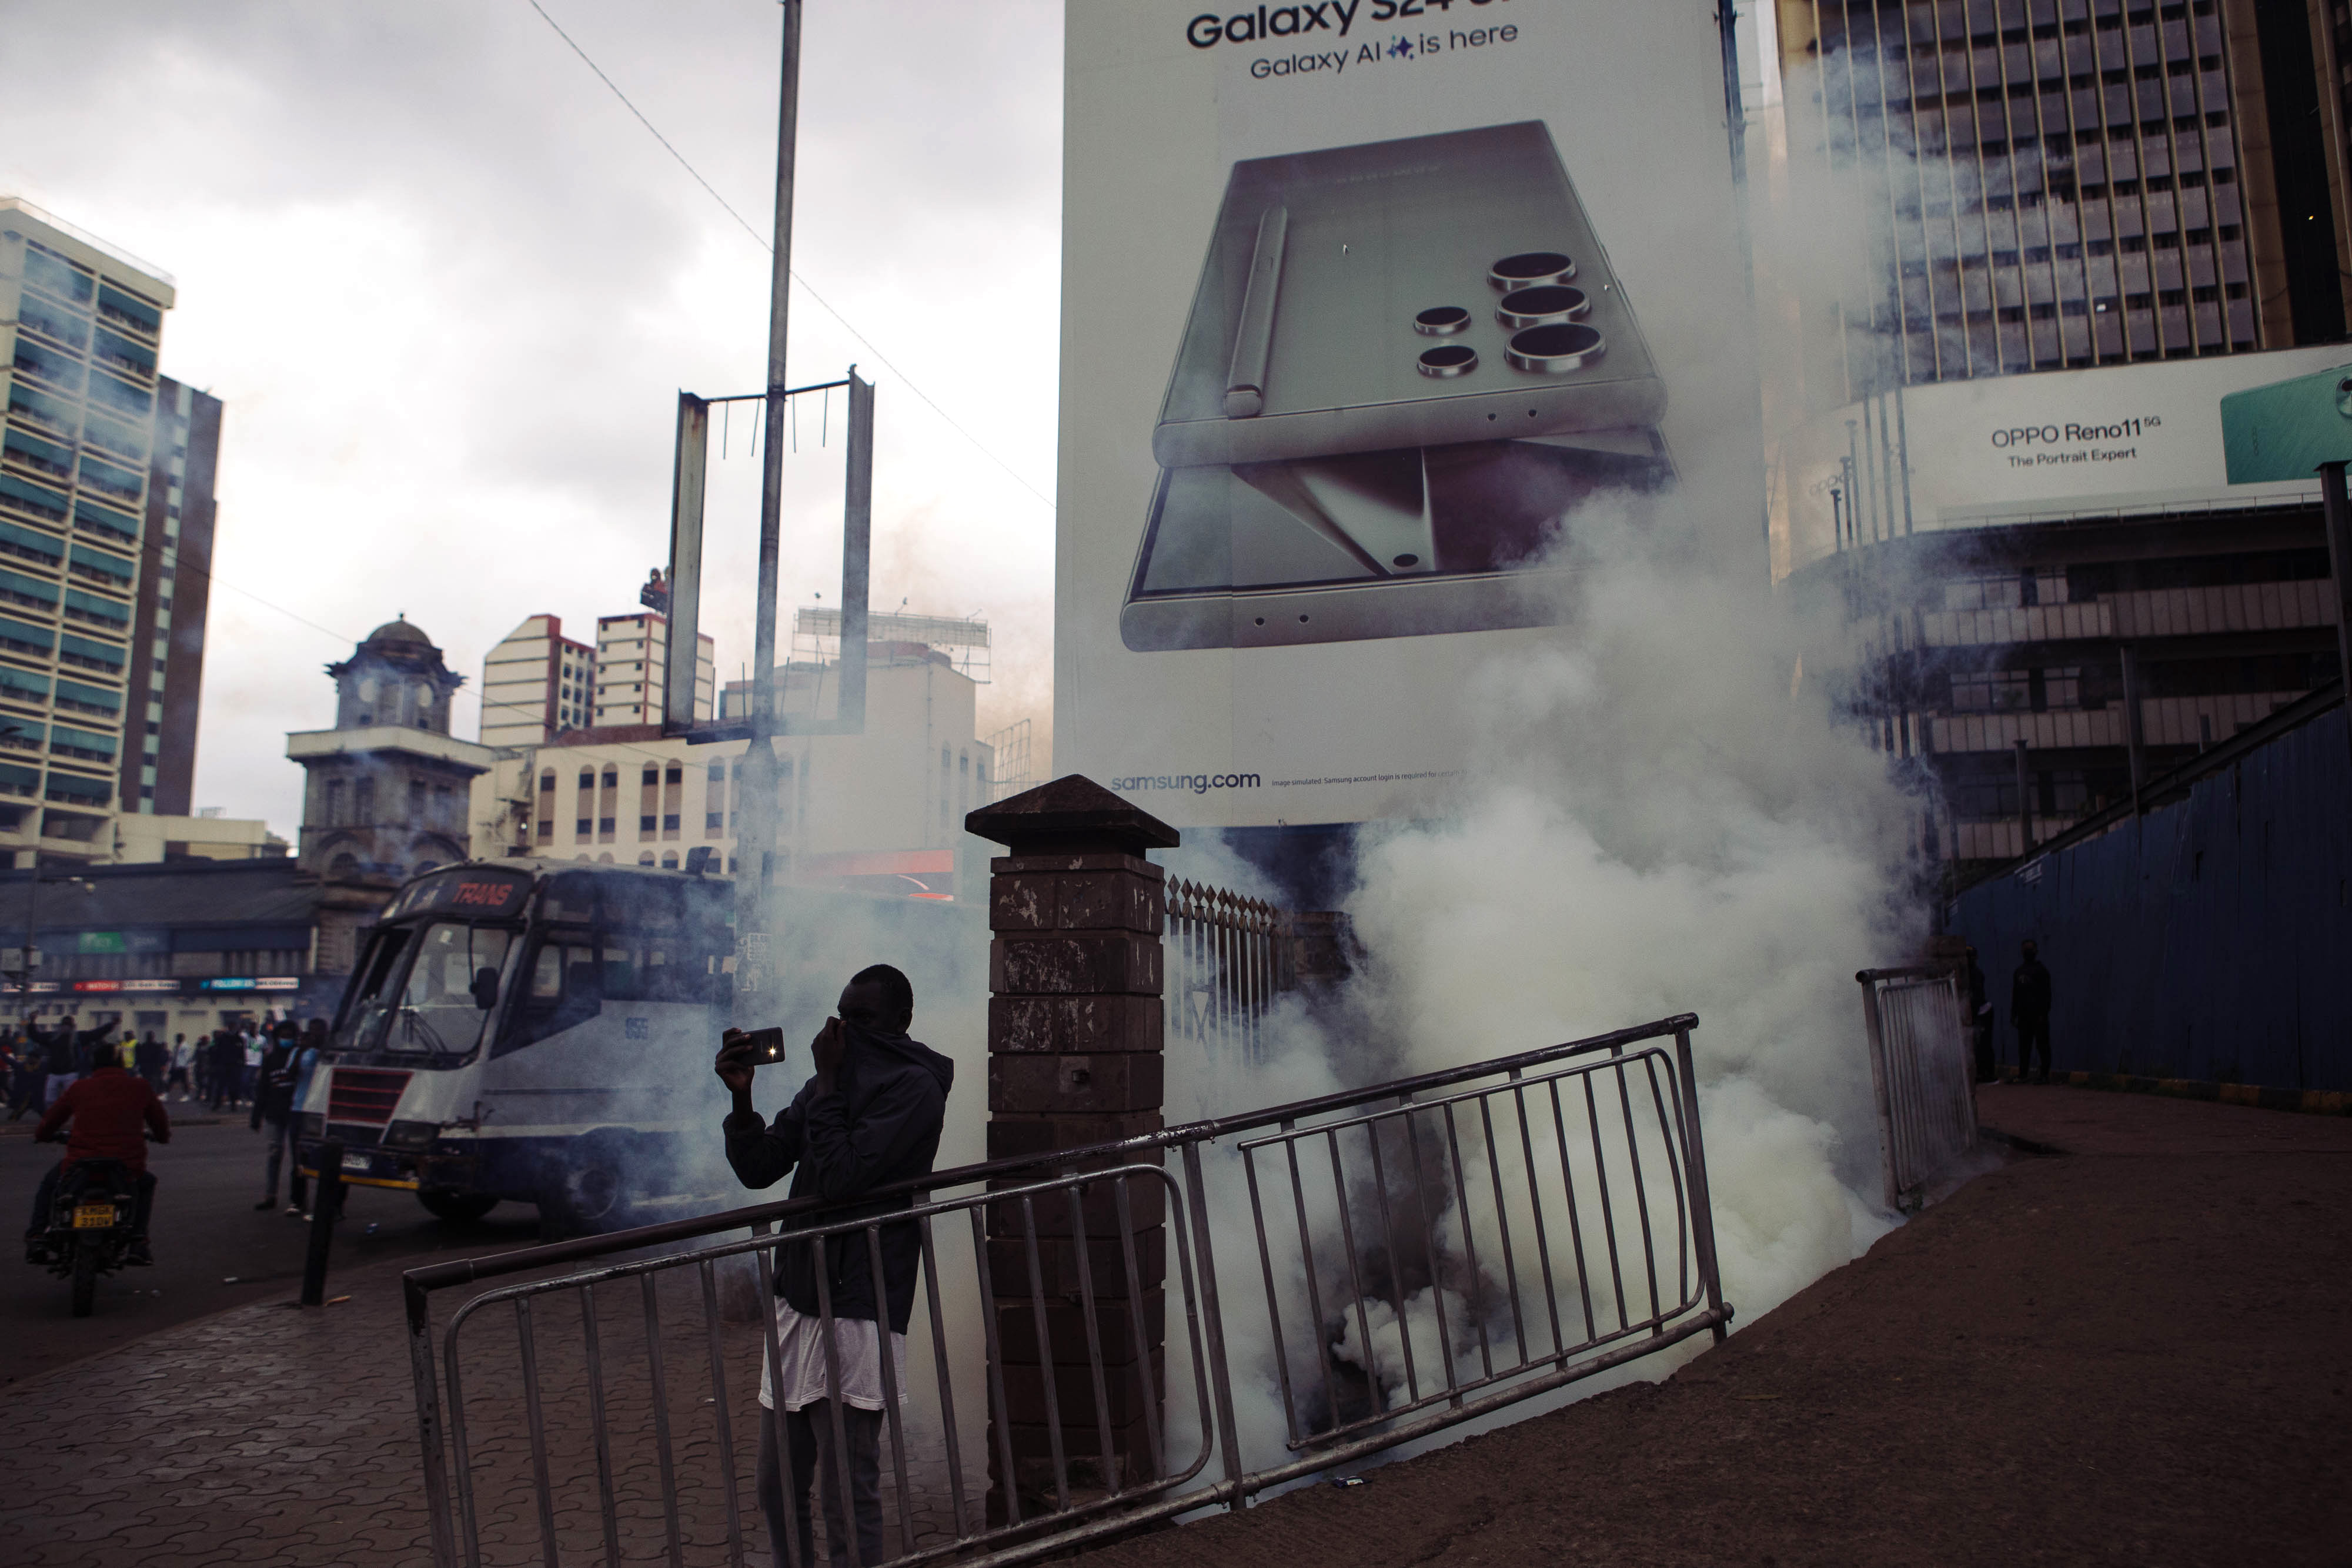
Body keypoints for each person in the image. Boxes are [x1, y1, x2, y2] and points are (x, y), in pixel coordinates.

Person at [715, 964, 954, 1568]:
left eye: (864, 1018)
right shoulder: (829, 1080)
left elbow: (845, 1175)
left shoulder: (914, 1087)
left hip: (859, 1305)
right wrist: (742, 1098)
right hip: (798, 1297)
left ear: (900, 1022)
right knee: (776, 1484)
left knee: (846, 1492)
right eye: (843, 1016)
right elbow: (760, 1166)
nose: (847, 1029)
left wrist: (827, 1086)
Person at [27, 1039, 169, 1266]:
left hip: (80, 1164)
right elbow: (160, 1124)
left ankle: (37, 1237)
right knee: (147, 1183)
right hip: (126, 1167)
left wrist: (43, 1135)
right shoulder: (140, 1087)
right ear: (121, 1064)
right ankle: (138, 1241)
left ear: (94, 1064)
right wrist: (161, 1137)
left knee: (50, 1184)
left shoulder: (79, 1088)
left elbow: (51, 1120)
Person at [250, 1024, 302, 1211]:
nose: (286, 1039)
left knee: (298, 1157)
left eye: (290, 1036)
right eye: (283, 1036)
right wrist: (256, 1115)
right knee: (274, 1154)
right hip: (274, 1113)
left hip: (295, 1113)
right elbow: (263, 1089)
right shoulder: (270, 1059)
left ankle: (297, 1200)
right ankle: (270, 1195)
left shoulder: (299, 1057)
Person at [2012, 938, 2053, 1085]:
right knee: (2024, 1047)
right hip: (2024, 1016)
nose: (2027, 952)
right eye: (2025, 949)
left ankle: (2044, 1075)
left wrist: (2043, 1013)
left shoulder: (2041, 971)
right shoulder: (2019, 972)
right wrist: (2014, 1014)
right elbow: (2015, 995)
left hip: (2038, 1016)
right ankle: (2023, 1074)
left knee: (2042, 1046)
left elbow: (2047, 994)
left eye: (2030, 949)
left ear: (2036, 951)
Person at [41, 1014, 80, 1110]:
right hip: (55, 1072)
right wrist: (32, 1023)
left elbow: (94, 1034)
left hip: (70, 1072)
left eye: (68, 1025)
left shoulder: (77, 1039)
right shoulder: (53, 1038)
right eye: (64, 1025)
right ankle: (52, 1115)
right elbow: (37, 1036)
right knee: (49, 1099)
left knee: (72, 1097)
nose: (66, 1027)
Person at [165, 1034, 193, 1102]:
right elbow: (175, 1057)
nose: (178, 1039)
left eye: (179, 1038)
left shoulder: (186, 1047)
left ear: (183, 1038)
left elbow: (186, 1058)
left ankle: (187, 1096)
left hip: (182, 1067)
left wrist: (184, 1066)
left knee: (185, 1082)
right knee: (171, 1081)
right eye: (177, 1038)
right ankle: (166, 1095)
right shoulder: (176, 1046)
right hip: (175, 1067)